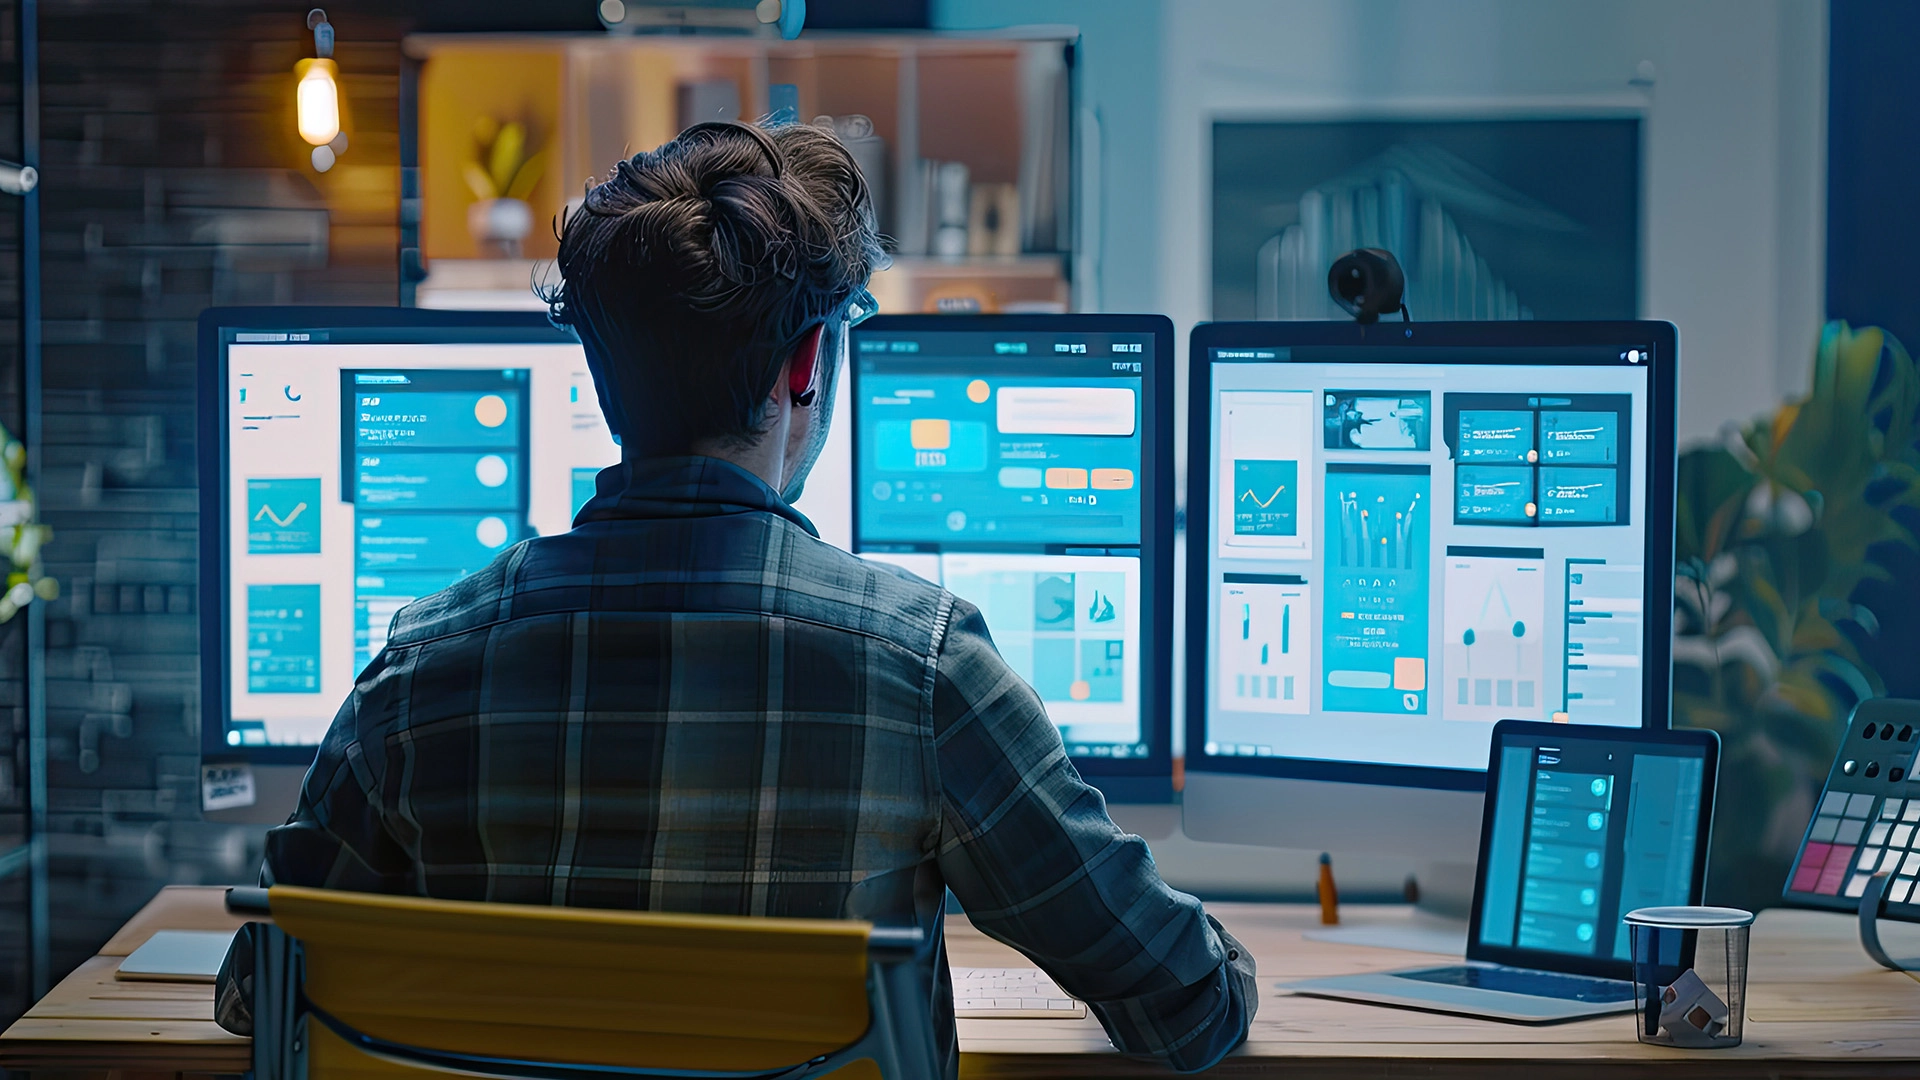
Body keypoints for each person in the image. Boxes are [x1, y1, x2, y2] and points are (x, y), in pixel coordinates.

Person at [215, 119, 1255, 1075]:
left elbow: (263, 990)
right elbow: (1185, 1007)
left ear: (601, 371)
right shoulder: (923, 671)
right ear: (808, 364)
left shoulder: (420, 670)